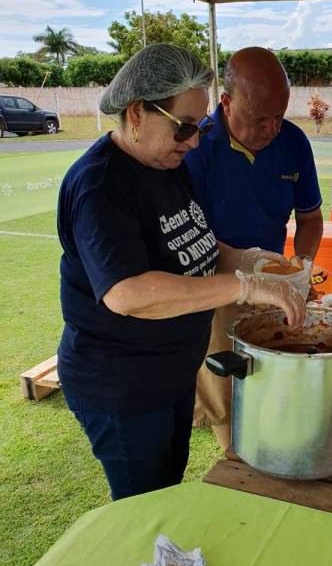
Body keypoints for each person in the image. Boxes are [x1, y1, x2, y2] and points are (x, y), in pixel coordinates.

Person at [56, 43, 306, 501]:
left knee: (167, 488)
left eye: (201, 126)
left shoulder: (166, 165)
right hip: (123, 385)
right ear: (137, 113)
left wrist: (259, 263)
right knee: (145, 506)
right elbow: (128, 293)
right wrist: (245, 285)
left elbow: (201, 247)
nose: (194, 141)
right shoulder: (100, 186)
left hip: (170, 374)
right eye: (185, 126)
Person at [185, 47, 323, 450]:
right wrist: (244, 276)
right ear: (226, 103)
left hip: (275, 281)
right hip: (215, 286)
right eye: (260, 118)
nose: (272, 128)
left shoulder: (293, 142)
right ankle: (234, 457)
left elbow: (310, 218)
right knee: (223, 387)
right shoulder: (196, 148)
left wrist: (301, 266)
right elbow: (189, 238)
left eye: (279, 115)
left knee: (274, 373)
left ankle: (271, 444)